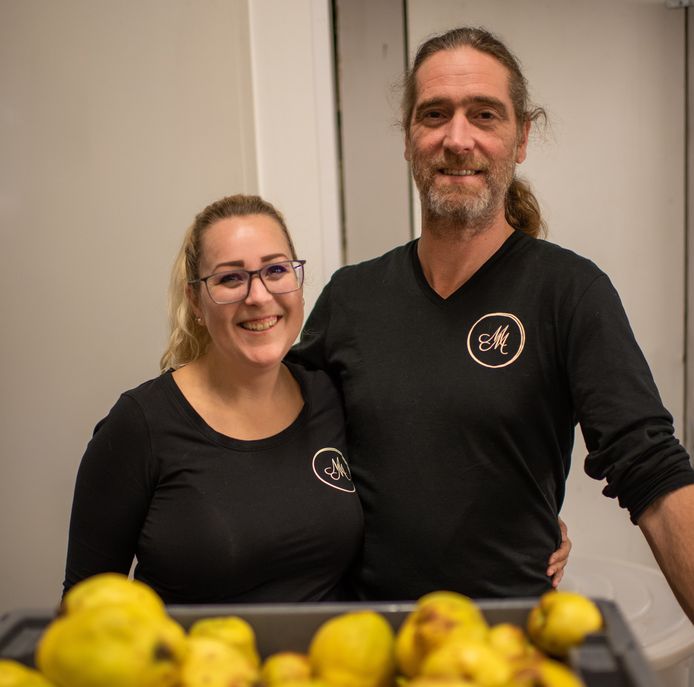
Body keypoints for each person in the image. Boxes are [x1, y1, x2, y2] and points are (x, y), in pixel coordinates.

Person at [290, 27, 694, 620]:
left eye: (484, 115)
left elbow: (651, 465)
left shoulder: (569, 292)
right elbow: (282, 444)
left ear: (521, 137)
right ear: (408, 138)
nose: (458, 139)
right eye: (435, 114)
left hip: (509, 643)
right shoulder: (351, 298)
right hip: (367, 640)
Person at [63, 194, 364, 604]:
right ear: (196, 302)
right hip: (197, 648)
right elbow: (84, 607)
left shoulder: (330, 396)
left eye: (276, 270)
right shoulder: (141, 424)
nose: (258, 296)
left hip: (328, 647)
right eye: (230, 279)